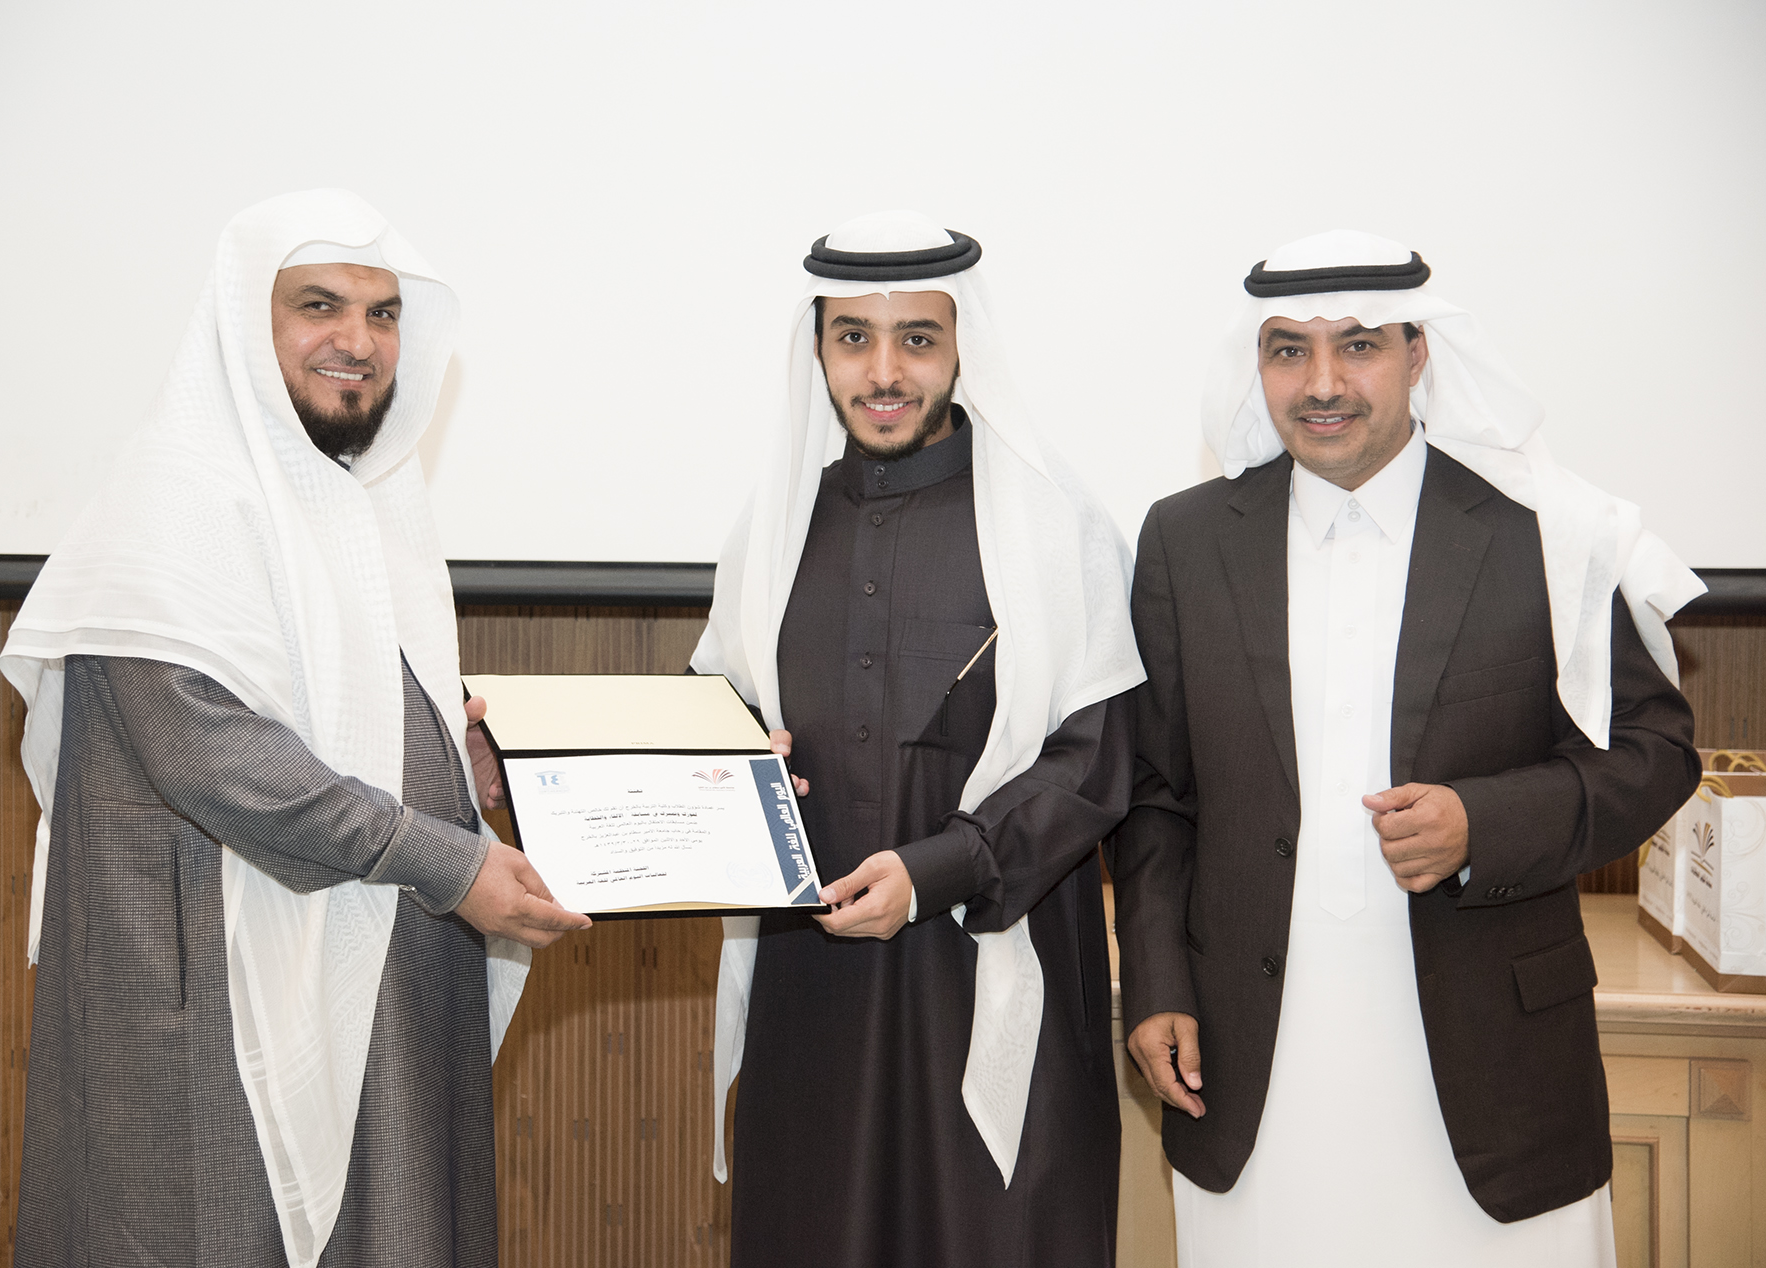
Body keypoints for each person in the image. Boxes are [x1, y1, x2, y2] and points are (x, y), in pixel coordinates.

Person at [0, 189, 590, 1268]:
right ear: (245, 319)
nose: (356, 341)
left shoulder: (368, 505)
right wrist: (448, 858)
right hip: (215, 1007)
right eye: (319, 306)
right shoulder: (172, 500)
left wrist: (451, 760)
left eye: (382, 314)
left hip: (382, 970)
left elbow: (343, 701)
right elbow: (211, 750)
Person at [1113, 229, 1703, 1266]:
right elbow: (1159, 791)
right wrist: (1157, 978)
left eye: (1359, 345)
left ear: (1418, 353)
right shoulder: (1185, 540)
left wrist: (1485, 822)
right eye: (1288, 349)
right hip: (1254, 1057)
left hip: (1491, 1061)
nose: (1322, 383)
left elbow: (1654, 749)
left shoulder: (1542, 529)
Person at [691, 210, 1146, 1268]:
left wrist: (936, 870)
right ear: (818, 350)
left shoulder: (1053, 525)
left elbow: (1098, 760)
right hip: (813, 995)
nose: (885, 371)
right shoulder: (771, 535)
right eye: (853, 337)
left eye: (918, 339)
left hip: (990, 971)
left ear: (961, 346)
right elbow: (712, 724)